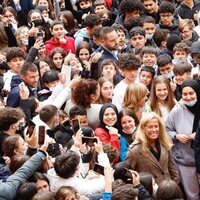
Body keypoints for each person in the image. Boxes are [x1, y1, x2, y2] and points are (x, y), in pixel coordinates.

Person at [166, 79, 200, 200]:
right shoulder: (176, 111)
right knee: (193, 196)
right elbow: (166, 130)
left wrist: (197, 135)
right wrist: (176, 136)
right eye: (185, 94)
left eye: (191, 93)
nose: (188, 97)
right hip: (186, 163)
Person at [126, 112, 180, 185]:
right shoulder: (134, 150)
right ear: (143, 129)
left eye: (156, 126)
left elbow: (172, 167)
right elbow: (129, 174)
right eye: (150, 127)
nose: (154, 130)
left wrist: (175, 185)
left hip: (168, 189)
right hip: (150, 192)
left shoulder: (164, 143)